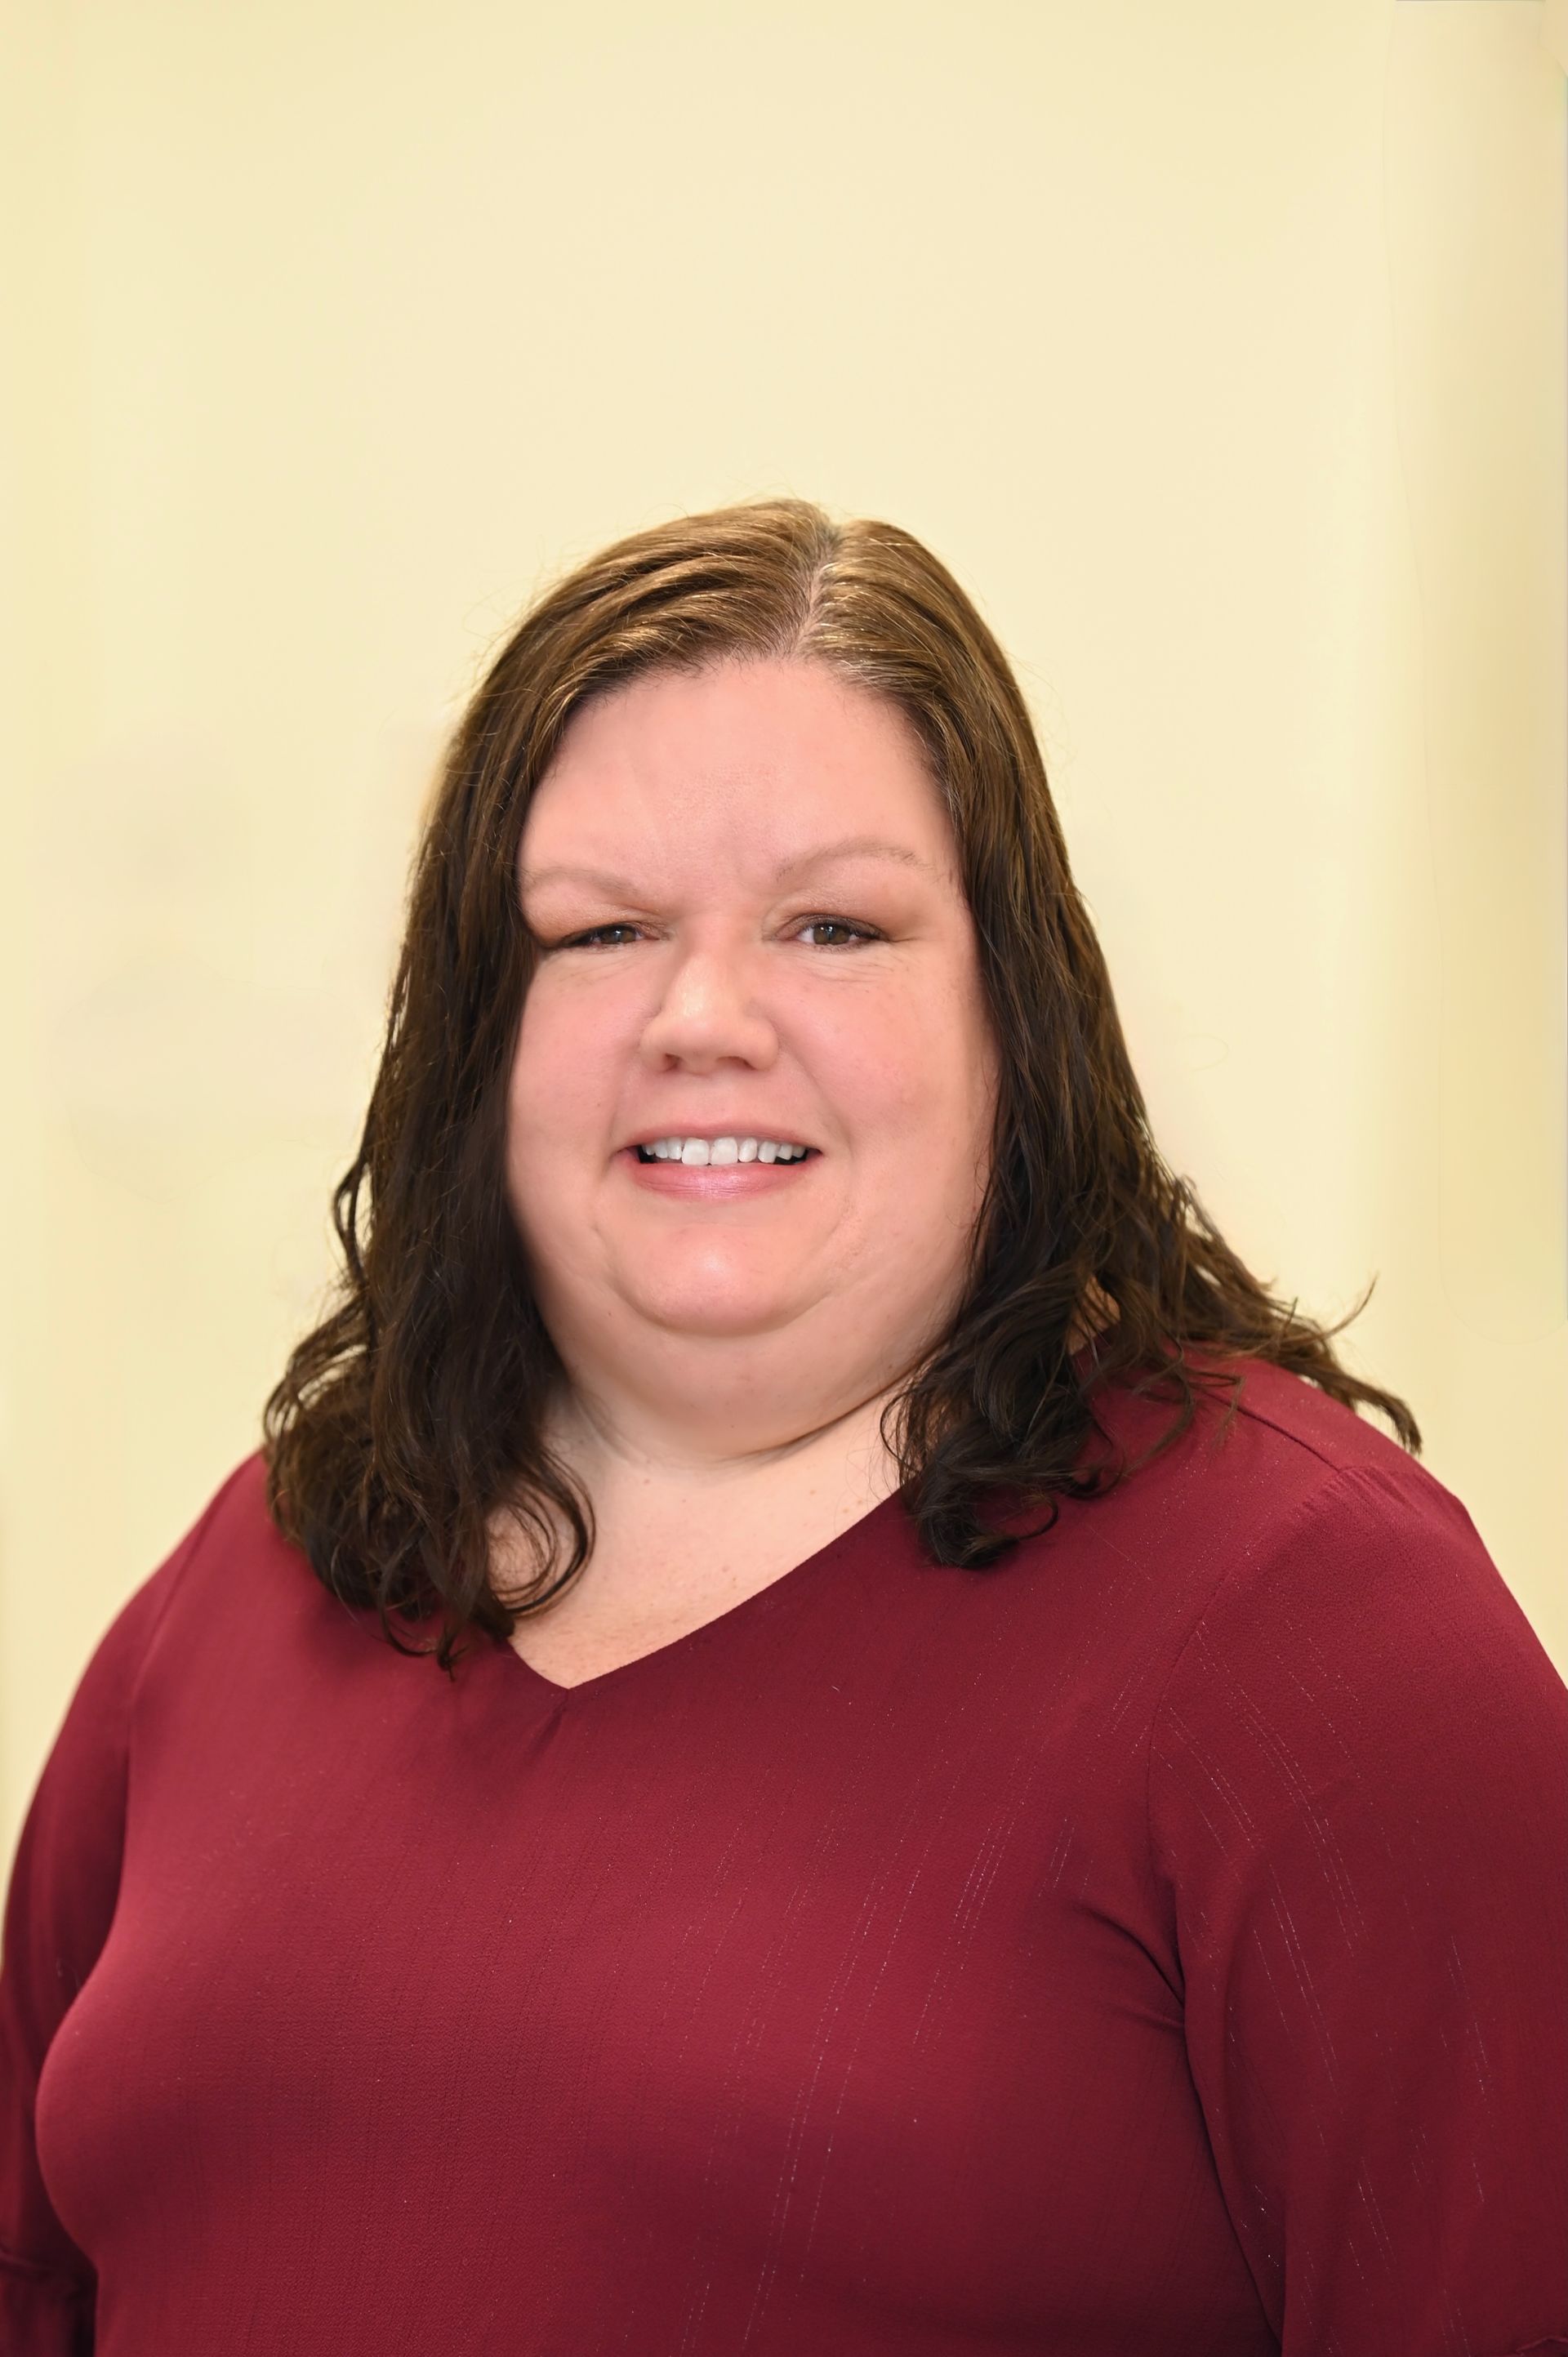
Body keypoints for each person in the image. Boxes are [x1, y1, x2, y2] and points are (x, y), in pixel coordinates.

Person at [2, 498, 1563, 2356]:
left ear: (1017, 1015)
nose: (703, 1015)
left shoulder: (1324, 1634)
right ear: (477, 1031)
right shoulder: (259, 1569)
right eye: (602, 930)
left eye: (836, 924)